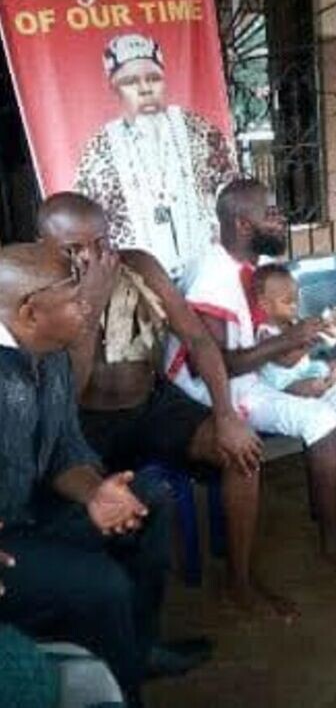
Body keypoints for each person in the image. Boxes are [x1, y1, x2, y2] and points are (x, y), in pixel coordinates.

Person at [36, 193, 296, 620]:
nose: (93, 257)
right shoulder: (36, 294)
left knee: (240, 449)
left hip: (151, 403)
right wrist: (92, 303)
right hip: (83, 424)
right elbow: (67, 391)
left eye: (101, 242)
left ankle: (240, 582)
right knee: (105, 512)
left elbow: (197, 339)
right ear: (44, 245)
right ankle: (128, 623)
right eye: (74, 249)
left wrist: (226, 415)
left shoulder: (138, 266)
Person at [164, 179, 336, 557]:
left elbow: (269, 335)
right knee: (321, 420)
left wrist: (308, 334)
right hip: (212, 393)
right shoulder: (210, 277)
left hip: (255, 373)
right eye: (271, 213)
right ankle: (330, 534)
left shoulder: (257, 266)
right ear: (243, 224)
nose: (281, 219)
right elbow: (215, 367)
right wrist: (291, 340)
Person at [0, 242, 170, 708]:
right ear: (30, 312)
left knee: (151, 500)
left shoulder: (50, 353)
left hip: (34, 511)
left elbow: (64, 451)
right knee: (101, 585)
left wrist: (96, 492)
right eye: (76, 300)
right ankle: (124, 689)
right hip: (6, 547)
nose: (88, 306)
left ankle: (137, 649)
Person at [73, 33, 236, 280]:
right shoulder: (100, 148)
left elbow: (230, 190)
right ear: (113, 88)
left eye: (153, 78)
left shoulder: (196, 129)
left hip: (208, 273)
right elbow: (89, 221)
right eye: (130, 82)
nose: (145, 89)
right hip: (138, 281)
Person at [250, 262, 336, 420]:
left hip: (304, 371)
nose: (294, 306)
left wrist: (329, 325)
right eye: (287, 302)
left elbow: (327, 337)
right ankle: (327, 385)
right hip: (283, 384)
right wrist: (312, 339)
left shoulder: (294, 322)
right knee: (312, 385)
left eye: (296, 300)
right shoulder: (265, 333)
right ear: (265, 305)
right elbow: (287, 361)